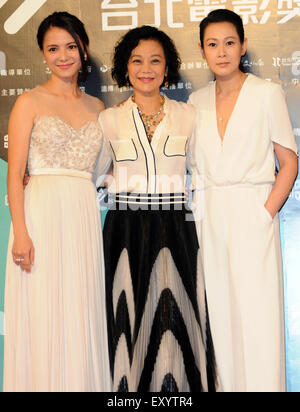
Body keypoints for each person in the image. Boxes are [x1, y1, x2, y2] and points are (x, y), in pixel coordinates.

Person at [94, 25, 217, 392]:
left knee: (176, 317)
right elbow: (96, 173)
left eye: (155, 61)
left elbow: (203, 171)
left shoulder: (188, 116)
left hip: (176, 225)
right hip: (125, 229)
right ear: (125, 67)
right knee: (126, 321)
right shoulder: (109, 119)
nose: (146, 68)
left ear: (167, 69)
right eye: (137, 61)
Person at [188, 9, 298, 392]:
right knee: (220, 319)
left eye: (229, 42)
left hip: (252, 213)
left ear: (243, 45)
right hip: (210, 218)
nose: (222, 52)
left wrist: (265, 212)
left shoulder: (267, 93)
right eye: (212, 44)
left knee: (258, 317)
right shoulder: (195, 101)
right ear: (202, 50)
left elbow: (289, 162)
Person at [4, 12, 111, 392]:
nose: (63, 56)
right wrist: (20, 233)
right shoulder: (29, 102)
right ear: (43, 54)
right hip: (41, 217)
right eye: (53, 49)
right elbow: (15, 174)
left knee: (80, 314)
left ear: (83, 48)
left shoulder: (99, 109)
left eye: (70, 46)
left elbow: (102, 173)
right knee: (43, 312)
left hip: (82, 216)